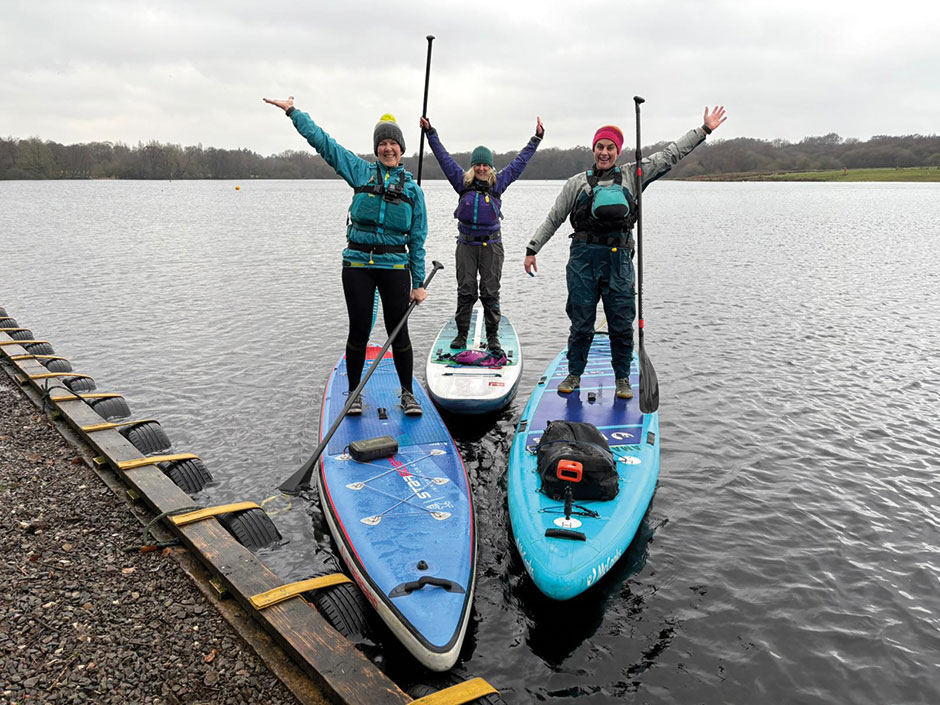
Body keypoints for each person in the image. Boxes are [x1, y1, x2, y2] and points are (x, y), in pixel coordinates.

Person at [524, 106, 727, 399]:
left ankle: (622, 378)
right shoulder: (577, 183)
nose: (604, 153)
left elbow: (671, 154)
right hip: (582, 260)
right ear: (593, 149)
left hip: (618, 261)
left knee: (620, 323)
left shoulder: (634, 175)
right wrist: (533, 248)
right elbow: (554, 217)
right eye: (599, 147)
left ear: (617, 151)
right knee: (581, 322)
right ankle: (574, 374)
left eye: (609, 148)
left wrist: (704, 130)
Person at [264, 96, 428, 415]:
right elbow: (325, 144)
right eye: (382, 143)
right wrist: (294, 113)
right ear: (376, 148)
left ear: (402, 148)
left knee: (399, 331)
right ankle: (354, 394)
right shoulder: (360, 171)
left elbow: (418, 239)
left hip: (395, 266)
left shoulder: (413, 191)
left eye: (393, 143)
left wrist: (418, 281)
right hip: (357, 266)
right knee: (359, 329)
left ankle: (407, 394)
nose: (388, 148)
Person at [420, 116, 544, 352]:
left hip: (492, 247)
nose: (481, 168)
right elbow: (443, 158)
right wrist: (430, 133)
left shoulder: (498, 183)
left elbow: (519, 163)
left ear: (491, 167)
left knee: (490, 293)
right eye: (478, 164)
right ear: (472, 166)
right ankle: (461, 335)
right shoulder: (462, 182)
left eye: (485, 165)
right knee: (465, 291)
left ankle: (493, 337)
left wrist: (536, 139)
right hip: (466, 245)